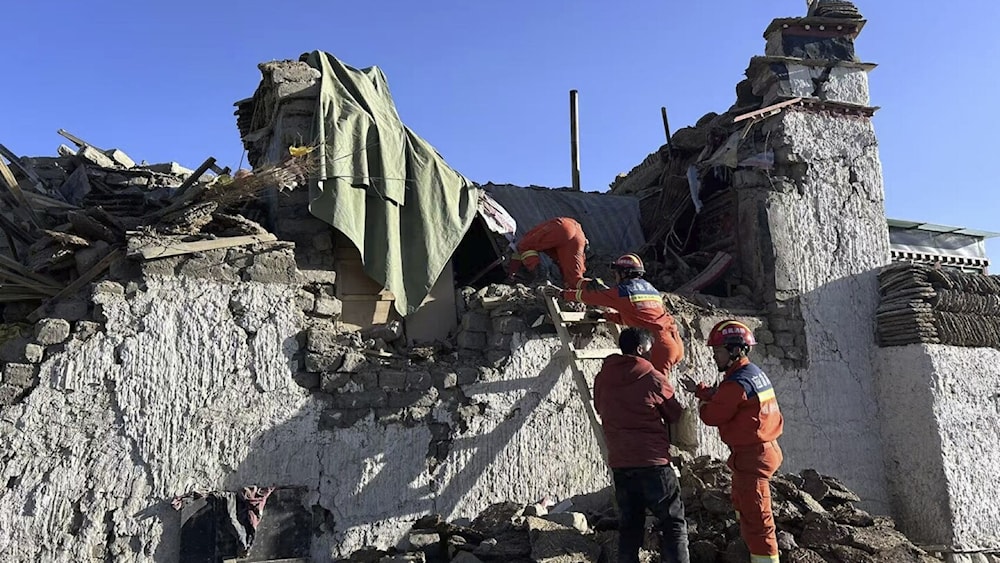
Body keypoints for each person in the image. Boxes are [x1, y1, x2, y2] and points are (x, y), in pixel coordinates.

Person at [680, 320, 784, 563]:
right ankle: (749, 551)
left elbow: (712, 415)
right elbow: (726, 396)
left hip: (753, 458)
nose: (714, 357)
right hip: (757, 452)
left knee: (758, 522)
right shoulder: (749, 374)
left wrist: (703, 402)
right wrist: (702, 390)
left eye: (717, 351)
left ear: (736, 350)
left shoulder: (736, 382)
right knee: (744, 507)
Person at [595, 327, 689, 563]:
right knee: (673, 523)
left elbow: (599, 408)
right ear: (639, 350)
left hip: (621, 463)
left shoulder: (603, 377)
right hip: (653, 463)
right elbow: (675, 414)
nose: (652, 355)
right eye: (649, 350)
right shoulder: (652, 377)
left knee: (629, 526)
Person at [554, 253, 684, 373]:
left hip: (658, 346)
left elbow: (590, 296)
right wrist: (605, 316)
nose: (615, 276)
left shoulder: (623, 292)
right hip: (674, 342)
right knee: (653, 389)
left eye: (616, 273)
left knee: (656, 392)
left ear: (624, 274)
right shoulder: (651, 290)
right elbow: (637, 317)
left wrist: (561, 294)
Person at [507, 217, 589, 289]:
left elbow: (519, 249)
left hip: (562, 226)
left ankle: (541, 277)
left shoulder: (530, 236)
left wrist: (511, 272)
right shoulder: (549, 244)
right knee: (574, 279)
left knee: (524, 246)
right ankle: (597, 289)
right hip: (578, 233)